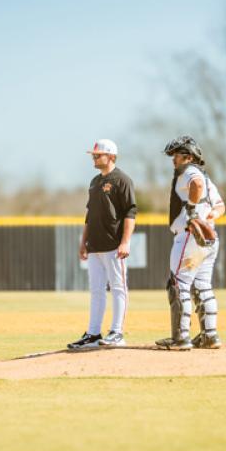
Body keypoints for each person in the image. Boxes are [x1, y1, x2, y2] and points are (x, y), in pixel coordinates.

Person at [156, 135, 225, 350]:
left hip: (189, 235)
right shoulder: (207, 178)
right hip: (208, 237)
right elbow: (221, 207)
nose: (173, 160)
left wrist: (194, 213)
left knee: (178, 284)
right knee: (202, 286)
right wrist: (207, 218)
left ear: (187, 157)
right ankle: (210, 335)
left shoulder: (189, 172)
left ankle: (180, 338)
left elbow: (195, 185)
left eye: (176, 155)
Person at [68, 139, 137, 349]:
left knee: (118, 288)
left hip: (114, 243)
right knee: (96, 290)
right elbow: (89, 214)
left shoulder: (122, 180)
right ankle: (93, 333)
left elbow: (130, 212)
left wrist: (125, 242)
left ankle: (117, 331)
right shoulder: (94, 182)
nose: (94, 158)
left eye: (98, 155)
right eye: (94, 155)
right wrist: (83, 242)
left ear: (112, 157)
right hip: (94, 244)